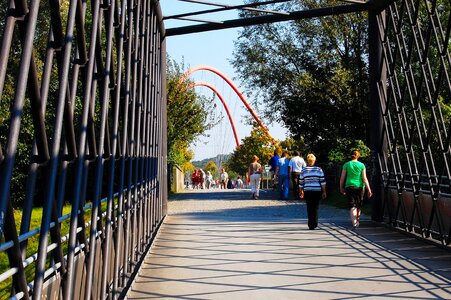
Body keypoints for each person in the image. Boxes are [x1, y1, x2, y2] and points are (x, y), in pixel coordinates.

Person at [340, 150, 372, 229]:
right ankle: (357, 220)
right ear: (358, 156)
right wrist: (369, 189)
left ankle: (354, 223)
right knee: (359, 205)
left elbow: (342, 178)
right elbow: (364, 178)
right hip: (360, 187)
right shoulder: (361, 165)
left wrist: (341, 188)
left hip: (349, 186)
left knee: (352, 205)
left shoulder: (346, 164)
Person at [299, 154, 327, 230]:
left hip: (307, 190)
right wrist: (324, 191)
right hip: (317, 191)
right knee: (315, 207)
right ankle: (314, 223)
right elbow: (322, 181)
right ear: (314, 160)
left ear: (307, 161)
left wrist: (301, 191)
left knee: (309, 207)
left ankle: (310, 224)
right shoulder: (319, 170)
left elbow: (301, 182)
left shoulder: (304, 170)